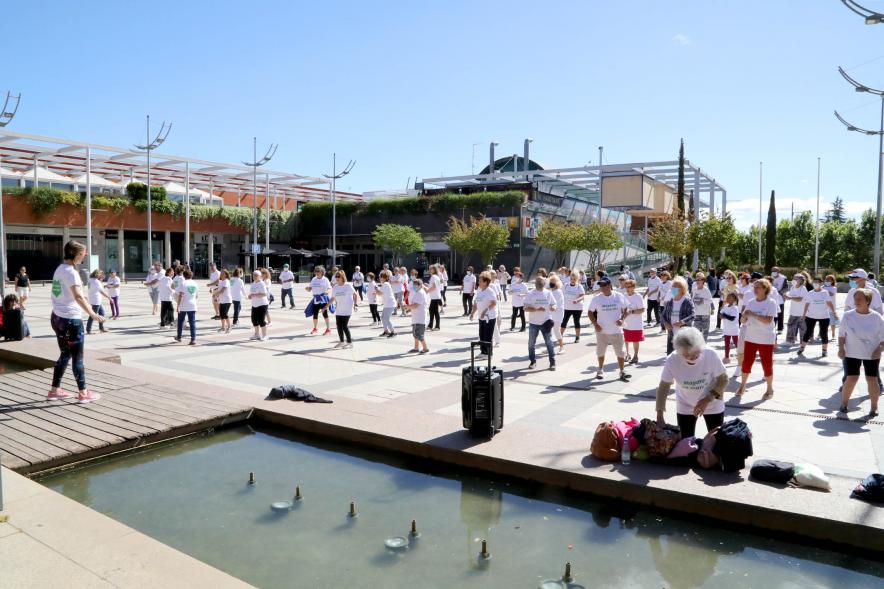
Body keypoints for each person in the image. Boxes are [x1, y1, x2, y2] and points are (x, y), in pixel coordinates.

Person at [47, 241, 103, 403]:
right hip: (71, 320)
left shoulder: (59, 269)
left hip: (57, 317)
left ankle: (55, 390)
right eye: (83, 255)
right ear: (76, 255)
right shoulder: (71, 272)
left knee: (65, 354)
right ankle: (84, 393)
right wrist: (92, 313)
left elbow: (63, 292)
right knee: (78, 358)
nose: (82, 259)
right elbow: (77, 296)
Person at [656, 327, 728, 438]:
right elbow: (664, 387)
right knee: (685, 441)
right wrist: (659, 416)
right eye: (687, 355)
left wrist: (708, 398)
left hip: (712, 402)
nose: (692, 358)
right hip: (685, 403)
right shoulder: (672, 360)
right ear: (679, 352)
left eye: (696, 354)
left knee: (716, 440)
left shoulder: (710, 354)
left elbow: (723, 379)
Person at [838, 288, 884, 417]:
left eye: (860, 299)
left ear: (868, 301)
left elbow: (883, 339)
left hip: (871, 353)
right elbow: (841, 335)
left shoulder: (877, 317)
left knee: (872, 379)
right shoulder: (848, 315)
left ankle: (874, 408)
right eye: (855, 298)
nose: (856, 301)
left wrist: (879, 349)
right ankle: (844, 404)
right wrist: (841, 348)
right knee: (851, 378)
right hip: (851, 353)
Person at [736, 278, 779, 400]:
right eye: (754, 287)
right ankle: (742, 386)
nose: (755, 290)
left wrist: (753, 314)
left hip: (766, 338)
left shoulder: (771, 303)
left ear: (765, 289)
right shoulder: (750, 302)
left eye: (758, 287)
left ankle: (769, 388)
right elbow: (742, 320)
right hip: (750, 337)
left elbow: (768, 321)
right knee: (747, 362)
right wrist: (744, 317)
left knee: (766, 363)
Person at [588, 276, 630, 381]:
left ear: (610, 285)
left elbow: (626, 308)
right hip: (602, 331)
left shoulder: (619, 296)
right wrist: (595, 324)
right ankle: (600, 370)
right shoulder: (597, 298)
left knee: (620, 352)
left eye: (604, 285)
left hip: (617, 330)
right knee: (600, 352)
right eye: (601, 285)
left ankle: (622, 371)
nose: (602, 287)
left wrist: (622, 319)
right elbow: (590, 312)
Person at [523, 275, 556, 370]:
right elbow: (525, 308)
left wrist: (553, 307)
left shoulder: (548, 293)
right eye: (538, 281)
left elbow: (553, 304)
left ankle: (552, 363)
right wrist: (536, 309)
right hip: (534, 323)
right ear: (535, 283)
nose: (539, 283)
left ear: (544, 283)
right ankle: (533, 361)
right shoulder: (530, 293)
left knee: (549, 343)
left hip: (546, 322)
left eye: (541, 282)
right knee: (531, 344)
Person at [798, 277, 836, 357]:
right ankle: (802, 348)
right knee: (808, 332)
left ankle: (824, 350)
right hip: (811, 316)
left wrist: (834, 312)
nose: (815, 284)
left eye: (817, 282)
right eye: (814, 282)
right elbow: (807, 304)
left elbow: (829, 303)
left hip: (824, 316)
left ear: (821, 283)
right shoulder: (810, 293)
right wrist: (804, 314)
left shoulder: (825, 292)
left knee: (823, 333)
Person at [661, 277, 694, 355]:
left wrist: (682, 322)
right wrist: (665, 324)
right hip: (671, 333)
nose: (673, 289)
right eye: (673, 287)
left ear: (682, 289)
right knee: (671, 355)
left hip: (684, 334)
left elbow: (692, 315)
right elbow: (663, 315)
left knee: (684, 355)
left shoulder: (687, 302)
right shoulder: (670, 302)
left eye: (676, 287)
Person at [470, 271, 498, 356]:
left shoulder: (490, 291)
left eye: (480, 281)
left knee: (487, 336)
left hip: (489, 317)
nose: (478, 282)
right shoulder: (479, 290)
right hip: (481, 317)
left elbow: (494, 303)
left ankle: (489, 354)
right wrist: (472, 313)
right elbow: (476, 302)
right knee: (481, 335)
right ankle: (483, 352)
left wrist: (485, 311)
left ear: (485, 282)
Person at [330, 270, 357, 349]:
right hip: (339, 309)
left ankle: (349, 342)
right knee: (338, 326)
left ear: (342, 277)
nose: (337, 278)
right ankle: (342, 342)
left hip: (347, 309)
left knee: (344, 326)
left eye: (339, 276)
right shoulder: (335, 287)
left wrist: (355, 304)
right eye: (336, 277)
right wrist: (326, 306)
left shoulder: (348, 285)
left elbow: (355, 295)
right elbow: (333, 298)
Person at [622, 279, 645, 365]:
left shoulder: (638, 296)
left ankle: (636, 355)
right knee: (626, 339)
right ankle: (627, 354)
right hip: (626, 323)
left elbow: (642, 309)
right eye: (626, 287)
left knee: (635, 340)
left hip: (636, 323)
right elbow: (622, 308)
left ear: (633, 287)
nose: (627, 289)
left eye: (629, 287)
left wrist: (631, 312)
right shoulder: (624, 295)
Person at [174, 268, 198, 345]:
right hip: (192, 305)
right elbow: (196, 296)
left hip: (184, 305)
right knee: (192, 322)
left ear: (184, 276)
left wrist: (178, 306)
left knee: (180, 322)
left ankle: (179, 337)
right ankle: (193, 339)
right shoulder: (195, 283)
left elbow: (180, 295)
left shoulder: (183, 283)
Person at [406, 278, 430, 354]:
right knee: (415, 333)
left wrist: (408, 306)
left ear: (420, 285)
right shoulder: (417, 292)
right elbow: (415, 304)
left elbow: (416, 305)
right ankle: (416, 348)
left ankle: (425, 348)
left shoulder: (420, 292)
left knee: (419, 334)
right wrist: (409, 309)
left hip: (420, 317)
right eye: (414, 284)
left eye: (416, 285)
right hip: (416, 316)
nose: (414, 286)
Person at [306, 266, 332, 335]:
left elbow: (329, 288)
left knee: (325, 314)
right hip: (315, 299)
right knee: (315, 314)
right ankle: (315, 328)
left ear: (322, 272)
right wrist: (308, 288)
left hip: (323, 299)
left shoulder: (325, 279)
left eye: (318, 272)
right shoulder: (314, 279)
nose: (317, 273)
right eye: (316, 271)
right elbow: (310, 288)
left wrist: (327, 292)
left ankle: (328, 329)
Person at [561, 271, 586, 342]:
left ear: (577, 279)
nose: (572, 280)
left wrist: (577, 300)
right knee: (564, 322)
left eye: (574, 279)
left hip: (577, 308)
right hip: (567, 307)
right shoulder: (565, 285)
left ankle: (577, 337)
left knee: (576, 322)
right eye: (571, 279)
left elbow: (583, 295)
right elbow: (561, 294)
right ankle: (560, 336)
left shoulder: (579, 286)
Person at [785, 274, 808, 345]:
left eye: (796, 279)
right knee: (791, 326)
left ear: (801, 281)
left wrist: (790, 298)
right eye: (793, 278)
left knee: (803, 329)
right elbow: (790, 296)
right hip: (793, 312)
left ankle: (803, 342)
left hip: (802, 313)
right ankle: (789, 341)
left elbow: (800, 299)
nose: (794, 280)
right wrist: (786, 296)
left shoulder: (803, 288)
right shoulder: (792, 287)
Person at [86, 269, 110, 335]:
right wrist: (109, 298)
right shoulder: (96, 282)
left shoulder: (90, 280)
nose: (101, 275)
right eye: (100, 274)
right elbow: (101, 291)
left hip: (94, 299)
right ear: (96, 274)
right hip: (96, 300)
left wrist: (100, 280)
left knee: (102, 313)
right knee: (93, 316)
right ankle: (89, 330)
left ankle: (101, 328)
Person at [248, 270, 270, 341]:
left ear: (260, 276)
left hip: (262, 304)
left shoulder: (262, 284)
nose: (254, 276)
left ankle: (265, 335)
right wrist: (250, 296)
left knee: (261, 320)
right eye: (253, 275)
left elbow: (264, 294)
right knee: (254, 320)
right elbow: (252, 293)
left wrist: (254, 295)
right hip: (254, 304)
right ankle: (257, 334)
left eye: (256, 275)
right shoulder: (253, 283)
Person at [691, 272, 713, 341]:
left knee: (705, 331)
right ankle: (697, 344)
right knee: (696, 330)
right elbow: (692, 299)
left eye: (699, 280)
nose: (697, 281)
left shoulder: (706, 290)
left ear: (703, 281)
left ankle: (704, 345)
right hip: (697, 312)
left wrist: (703, 301)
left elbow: (710, 300)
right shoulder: (694, 289)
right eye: (696, 280)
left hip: (705, 313)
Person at [720, 292, 740, 363]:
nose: (729, 299)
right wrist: (724, 315)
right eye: (728, 297)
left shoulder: (735, 308)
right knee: (726, 344)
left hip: (734, 329)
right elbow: (720, 315)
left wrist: (724, 316)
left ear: (734, 299)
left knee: (737, 344)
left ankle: (740, 356)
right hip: (726, 329)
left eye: (731, 298)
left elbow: (732, 318)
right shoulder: (725, 307)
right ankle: (726, 357)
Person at [549, 275, 566, 354]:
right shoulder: (551, 291)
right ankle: (550, 347)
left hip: (558, 314)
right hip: (551, 314)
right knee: (550, 331)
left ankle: (561, 347)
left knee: (556, 330)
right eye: (550, 281)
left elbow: (555, 304)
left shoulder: (558, 292)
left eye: (553, 282)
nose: (551, 283)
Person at [378, 269, 397, 337]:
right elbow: (381, 293)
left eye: (381, 277)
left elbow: (380, 293)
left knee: (386, 318)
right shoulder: (385, 284)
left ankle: (393, 331)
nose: (380, 278)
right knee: (383, 317)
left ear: (384, 278)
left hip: (390, 304)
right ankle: (386, 331)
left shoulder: (385, 284)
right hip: (388, 304)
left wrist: (376, 290)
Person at [214, 269, 233, 334]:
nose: (221, 274)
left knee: (225, 314)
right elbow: (218, 289)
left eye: (222, 273)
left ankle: (229, 327)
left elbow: (222, 290)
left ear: (226, 274)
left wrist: (216, 295)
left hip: (227, 300)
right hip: (221, 300)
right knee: (221, 315)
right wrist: (217, 297)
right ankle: (223, 327)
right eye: (221, 273)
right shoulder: (221, 281)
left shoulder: (226, 281)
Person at [771, 266, 788, 333]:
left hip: (780, 298)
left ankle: (780, 328)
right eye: (772, 271)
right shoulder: (770, 277)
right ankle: (772, 327)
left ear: (778, 271)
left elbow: (786, 288)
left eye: (775, 271)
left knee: (780, 313)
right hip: (771, 297)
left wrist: (779, 292)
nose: (773, 272)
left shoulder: (783, 278)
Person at [427, 265, 443, 330]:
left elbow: (434, 287)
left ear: (434, 270)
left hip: (435, 297)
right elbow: (434, 286)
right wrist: (427, 286)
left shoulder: (433, 277)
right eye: (429, 269)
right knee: (431, 310)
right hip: (435, 297)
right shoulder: (436, 277)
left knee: (435, 312)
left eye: (431, 269)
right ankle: (430, 325)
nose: (429, 270)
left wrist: (427, 291)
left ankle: (437, 326)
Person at [824, 274, 839, 341]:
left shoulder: (834, 288)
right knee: (823, 323)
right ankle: (821, 334)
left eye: (829, 280)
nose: (827, 281)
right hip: (824, 308)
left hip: (832, 308)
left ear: (832, 281)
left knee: (832, 323)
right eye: (826, 279)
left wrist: (825, 290)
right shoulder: (822, 287)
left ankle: (833, 334)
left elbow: (832, 294)